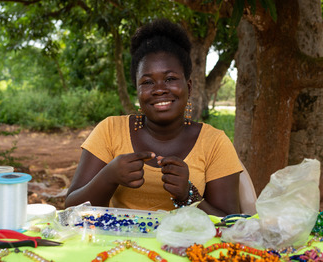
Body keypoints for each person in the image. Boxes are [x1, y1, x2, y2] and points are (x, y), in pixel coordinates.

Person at [65, 18, 243, 216]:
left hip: (189, 246)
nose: (159, 90)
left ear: (189, 87)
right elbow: (71, 209)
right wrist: (108, 177)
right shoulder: (110, 130)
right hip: (120, 244)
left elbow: (231, 223)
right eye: (148, 82)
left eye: (170, 79)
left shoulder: (214, 143)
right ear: (138, 92)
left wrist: (188, 197)